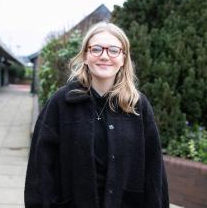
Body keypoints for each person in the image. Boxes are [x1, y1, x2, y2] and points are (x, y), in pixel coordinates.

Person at [24, 21, 169, 208]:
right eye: (97, 49)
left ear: (123, 58)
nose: (105, 56)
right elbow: (40, 167)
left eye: (113, 50)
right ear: (85, 55)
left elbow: (154, 171)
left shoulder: (138, 106)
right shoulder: (61, 102)